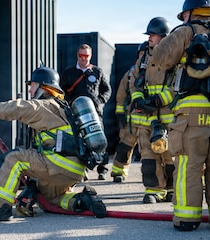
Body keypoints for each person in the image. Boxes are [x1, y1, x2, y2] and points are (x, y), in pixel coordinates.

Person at [0, 67, 107, 222]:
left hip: (58, 165)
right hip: (72, 171)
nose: (30, 91)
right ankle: (82, 200)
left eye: (32, 85)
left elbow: (17, 108)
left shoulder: (45, 106)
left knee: (13, 159)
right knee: (52, 199)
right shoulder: (62, 108)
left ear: (44, 87)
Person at [153, 0, 210, 231]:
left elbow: (161, 57)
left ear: (189, 13)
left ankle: (187, 218)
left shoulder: (187, 31)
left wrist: (178, 35)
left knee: (189, 164)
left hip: (192, 114)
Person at [129, 17, 175, 204]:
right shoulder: (143, 59)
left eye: (153, 35)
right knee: (148, 156)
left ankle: (171, 189)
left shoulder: (174, 58)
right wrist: (138, 100)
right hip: (146, 118)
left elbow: (178, 84)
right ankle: (154, 190)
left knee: (169, 155)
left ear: (163, 37)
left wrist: (159, 100)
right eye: (149, 35)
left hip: (167, 118)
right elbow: (134, 81)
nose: (150, 38)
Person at [60, 43, 111, 180]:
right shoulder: (69, 72)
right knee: (80, 141)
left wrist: (100, 101)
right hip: (76, 113)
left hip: (95, 112)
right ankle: (83, 170)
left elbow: (107, 90)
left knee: (100, 139)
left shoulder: (97, 72)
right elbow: (62, 91)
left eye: (86, 56)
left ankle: (102, 169)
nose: (83, 59)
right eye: (81, 56)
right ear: (77, 56)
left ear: (90, 56)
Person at [110, 42, 147, 183]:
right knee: (124, 146)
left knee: (150, 151)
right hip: (131, 118)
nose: (143, 56)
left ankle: (154, 179)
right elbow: (121, 95)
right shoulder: (131, 73)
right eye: (141, 54)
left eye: (145, 54)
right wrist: (120, 113)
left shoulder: (157, 71)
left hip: (148, 117)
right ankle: (118, 171)